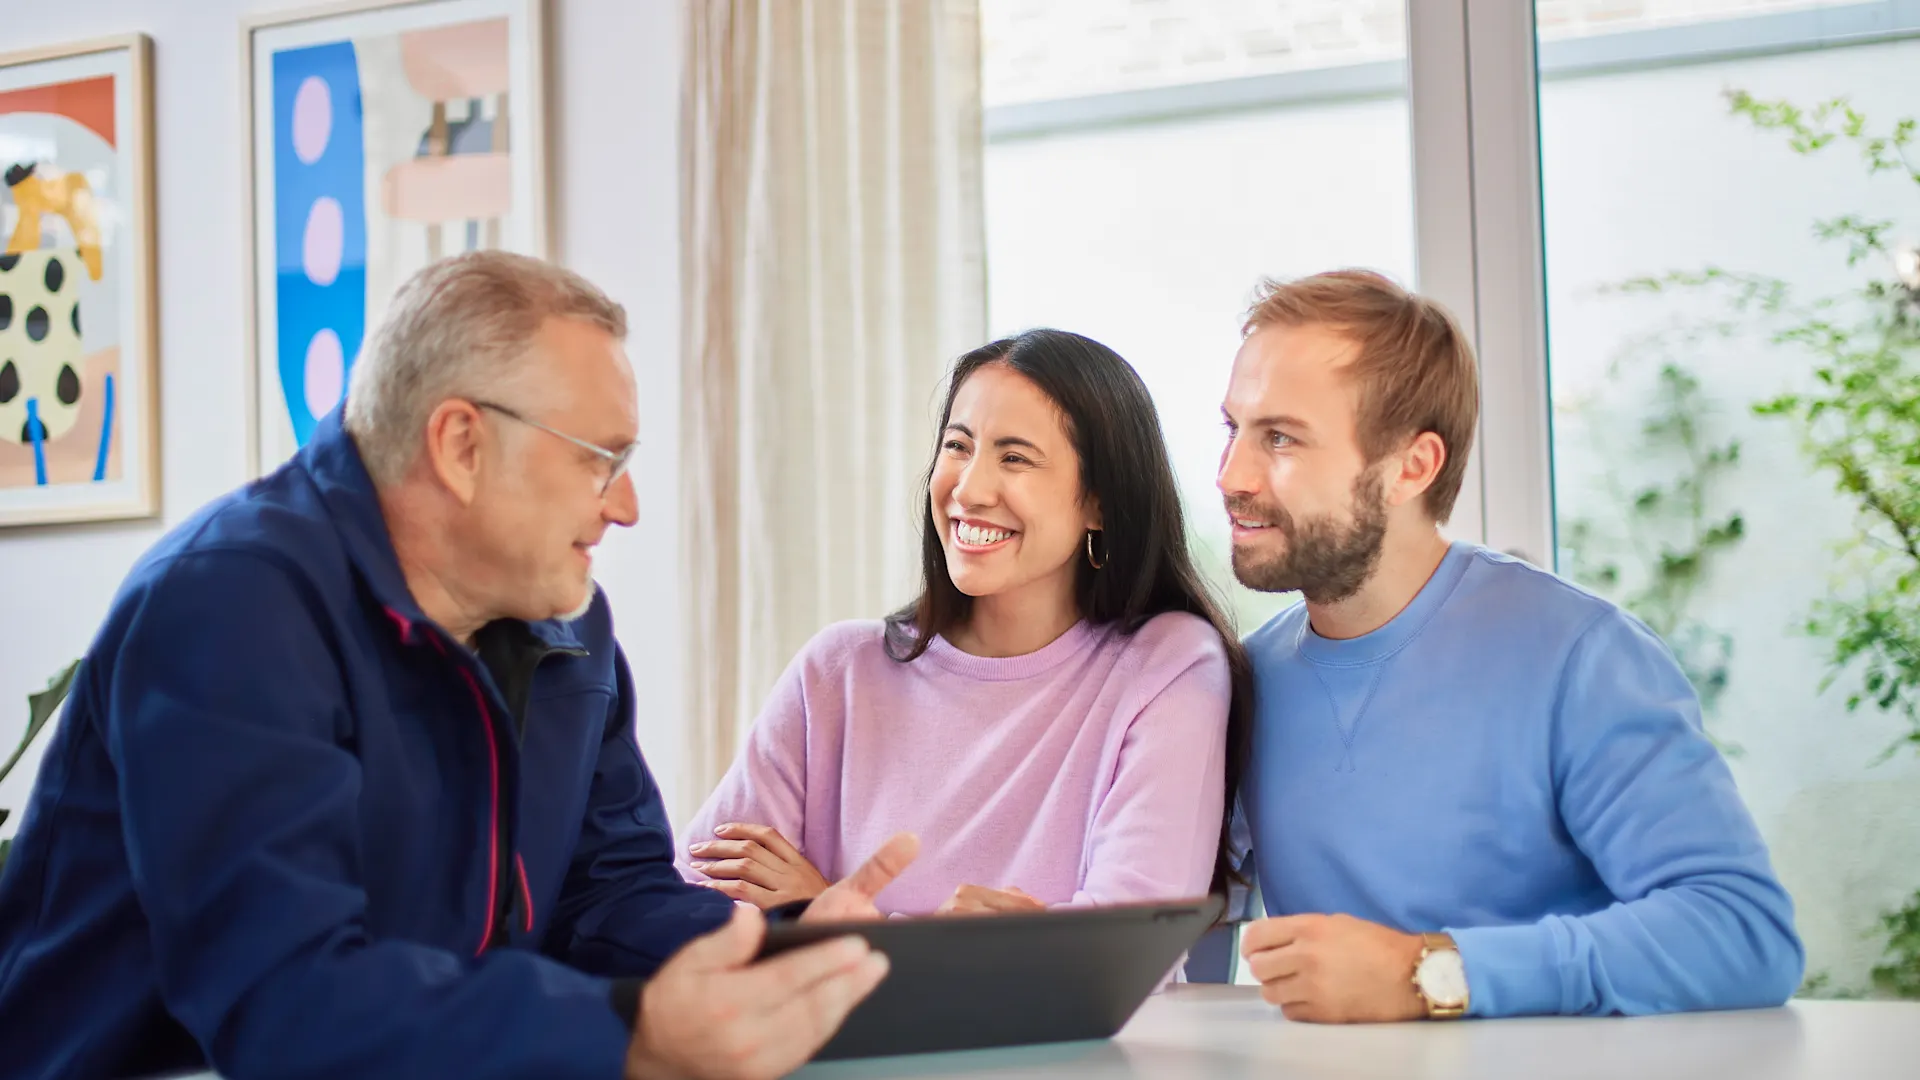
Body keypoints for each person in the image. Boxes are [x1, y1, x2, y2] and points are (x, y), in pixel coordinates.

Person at [0, 251, 918, 1080]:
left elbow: (610, 897)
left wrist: (775, 951)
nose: (627, 506)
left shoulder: (565, 622)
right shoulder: (229, 605)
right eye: (605, 460)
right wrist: (628, 1031)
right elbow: (286, 1006)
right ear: (462, 445)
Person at [1218, 270, 1804, 1022]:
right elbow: (1181, 923)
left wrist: (1426, 973)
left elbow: (1744, 933)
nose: (1231, 476)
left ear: (1412, 467)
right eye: (1232, 429)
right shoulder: (1243, 682)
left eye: (1280, 438)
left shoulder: (1579, 657)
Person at [678, 329, 1249, 919]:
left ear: (1100, 501)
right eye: (958, 446)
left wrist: (827, 914)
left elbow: (1124, 951)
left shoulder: (1169, 666)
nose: (969, 489)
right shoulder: (838, 671)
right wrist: (945, 949)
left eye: (1015, 457)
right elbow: (687, 898)